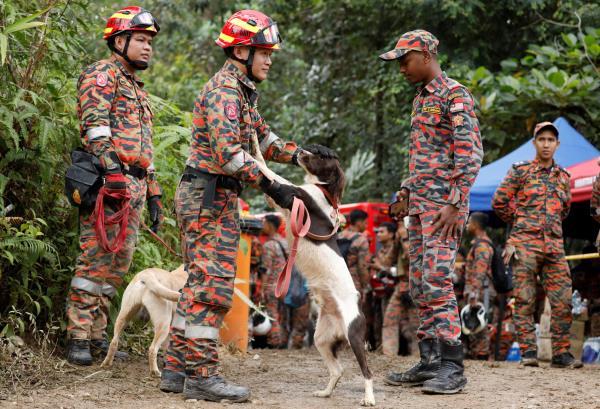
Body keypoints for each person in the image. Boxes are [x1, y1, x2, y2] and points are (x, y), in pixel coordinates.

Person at [159, 10, 333, 403]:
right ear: (241, 50)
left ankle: (176, 368)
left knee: (198, 282)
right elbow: (230, 155)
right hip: (208, 197)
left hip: (212, 197)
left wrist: (304, 157)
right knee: (213, 288)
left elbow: (265, 141)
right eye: (263, 51)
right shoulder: (224, 92)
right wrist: (277, 189)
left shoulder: (241, 93)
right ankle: (202, 375)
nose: (269, 59)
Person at [381, 29, 483, 394]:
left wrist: (456, 203)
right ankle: (430, 360)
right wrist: (405, 192)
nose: (401, 69)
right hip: (421, 208)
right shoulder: (420, 99)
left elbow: (469, 153)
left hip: (444, 208)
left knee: (438, 281)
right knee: (421, 285)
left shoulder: (455, 96)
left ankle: (453, 366)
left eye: (405, 61)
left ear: (425, 56)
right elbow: (422, 158)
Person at [65, 6, 163, 365]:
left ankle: (97, 336)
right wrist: (113, 173)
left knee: (117, 266)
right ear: (119, 41)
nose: (148, 47)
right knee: (94, 260)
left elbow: (144, 147)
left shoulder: (137, 87)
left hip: (134, 186)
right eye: (140, 40)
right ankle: (77, 335)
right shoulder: (102, 75)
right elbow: (95, 128)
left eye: (150, 41)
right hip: (109, 183)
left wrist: (153, 192)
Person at [492, 121, 582, 369]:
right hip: (525, 244)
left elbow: (565, 210)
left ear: (557, 144)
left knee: (563, 300)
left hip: (554, 246)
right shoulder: (520, 171)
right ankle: (528, 351)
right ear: (534, 143)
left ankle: (562, 353)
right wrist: (520, 221)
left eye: (550, 140)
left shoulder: (563, 176)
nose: (546, 144)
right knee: (525, 299)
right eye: (541, 139)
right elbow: (499, 201)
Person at [382, 221, 418, 356]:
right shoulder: (401, 235)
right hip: (402, 285)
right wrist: (398, 240)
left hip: (415, 286)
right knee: (389, 321)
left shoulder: (417, 233)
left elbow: (412, 257)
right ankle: (389, 354)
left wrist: (404, 236)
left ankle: (418, 356)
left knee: (416, 325)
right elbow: (387, 260)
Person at [463, 212, 494, 360]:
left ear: (475, 225)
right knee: (474, 325)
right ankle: (477, 355)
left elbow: (480, 271)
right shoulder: (478, 243)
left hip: (482, 291)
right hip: (480, 290)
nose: (467, 225)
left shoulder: (482, 245)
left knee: (479, 326)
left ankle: (482, 357)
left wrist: (474, 293)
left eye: (469, 222)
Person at [260, 214, 288, 348]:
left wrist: (262, 288)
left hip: (272, 285)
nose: (262, 226)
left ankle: (275, 342)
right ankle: (282, 340)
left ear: (270, 225)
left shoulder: (269, 245)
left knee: (272, 313)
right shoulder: (284, 242)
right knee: (281, 313)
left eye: (264, 223)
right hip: (285, 285)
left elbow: (266, 269)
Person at [338, 209, 371, 295]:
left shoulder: (339, 235)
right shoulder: (361, 239)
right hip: (353, 282)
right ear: (359, 222)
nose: (366, 226)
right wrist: (365, 286)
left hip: (337, 280)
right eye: (365, 223)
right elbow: (362, 266)